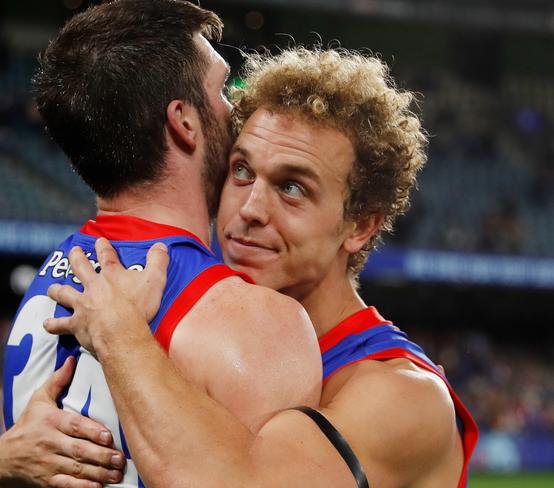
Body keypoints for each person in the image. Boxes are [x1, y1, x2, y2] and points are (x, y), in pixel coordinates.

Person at [43, 47, 479, 487]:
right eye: (242, 171)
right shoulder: (201, 335)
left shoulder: (404, 397)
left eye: (292, 187)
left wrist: (120, 335)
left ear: (361, 225)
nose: (250, 209)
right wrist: (1, 471)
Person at [0, 1, 322, 487]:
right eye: (222, 88)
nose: (235, 106)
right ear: (184, 121)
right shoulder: (259, 322)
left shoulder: (49, 283)